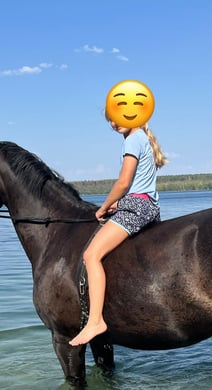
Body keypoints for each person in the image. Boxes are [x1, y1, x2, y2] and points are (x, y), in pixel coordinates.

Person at [69, 114, 167, 346]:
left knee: (90, 255)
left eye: (119, 117)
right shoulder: (142, 137)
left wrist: (103, 207)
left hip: (137, 207)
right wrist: (118, 204)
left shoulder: (133, 139)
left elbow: (123, 183)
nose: (114, 123)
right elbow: (138, 187)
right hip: (146, 204)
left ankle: (95, 321)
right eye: (110, 120)